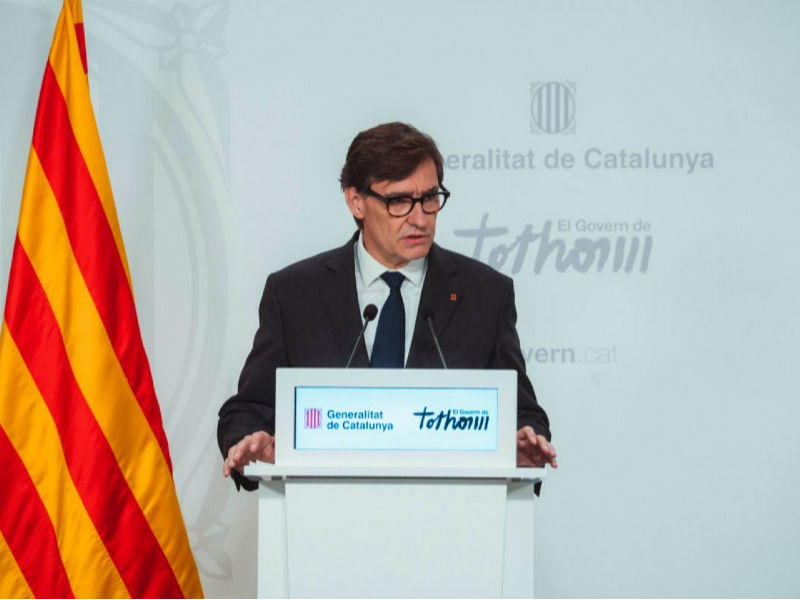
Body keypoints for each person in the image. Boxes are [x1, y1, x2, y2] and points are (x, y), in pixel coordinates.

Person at [218, 122, 557, 492]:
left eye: (430, 198)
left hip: (452, 513)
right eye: (399, 201)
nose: (420, 218)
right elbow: (248, 409)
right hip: (325, 514)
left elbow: (522, 411)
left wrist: (525, 442)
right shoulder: (295, 294)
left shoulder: (485, 294)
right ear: (356, 201)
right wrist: (250, 441)